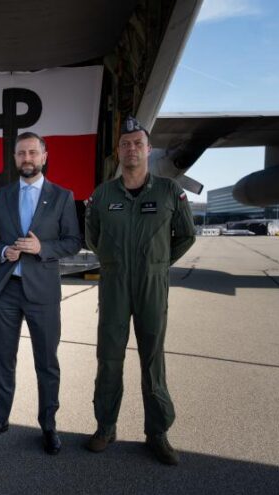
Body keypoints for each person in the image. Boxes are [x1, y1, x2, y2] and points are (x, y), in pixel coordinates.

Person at [84, 115, 196, 465]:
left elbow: (187, 234)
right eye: (125, 143)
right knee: (109, 358)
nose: (131, 148)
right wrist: (116, 263)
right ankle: (105, 426)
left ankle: (157, 432)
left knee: (152, 359)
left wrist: (158, 265)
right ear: (118, 151)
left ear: (148, 149)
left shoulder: (167, 191)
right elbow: (92, 237)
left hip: (152, 286)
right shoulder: (103, 194)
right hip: (114, 286)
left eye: (137, 143)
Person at [0, 132, 82, 455]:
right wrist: (2, 250)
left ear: (44, 156)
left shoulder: (62, 196)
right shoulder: (1, 196)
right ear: (14, 159)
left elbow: (73, 242)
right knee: (2, 359)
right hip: (6, 289)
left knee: (46, 362)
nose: (27, 158)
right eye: (21, 153)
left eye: (32, 153)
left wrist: (42, 248)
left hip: (43, 292)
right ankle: (0, 418)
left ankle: (49, 425)